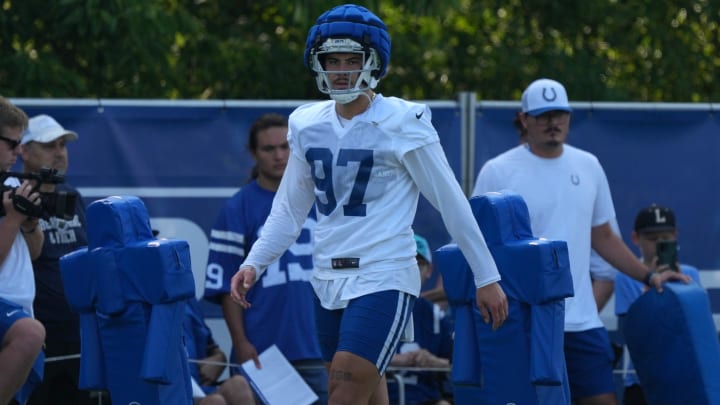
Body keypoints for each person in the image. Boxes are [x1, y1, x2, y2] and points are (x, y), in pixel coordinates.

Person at [229, 5, 508, 405]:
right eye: (332, 60)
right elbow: (290, 209)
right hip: (326, 275)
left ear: (374, 62)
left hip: (383, 274)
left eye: (352, 59)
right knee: (363, 391)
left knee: (343, 391)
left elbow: (450, 202)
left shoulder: (402, 120)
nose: (341, 70)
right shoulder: (307, 123)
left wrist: (486, 275)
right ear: (317, 62)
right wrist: (254, 262)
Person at [472, 78, 688, 405]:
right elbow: (476, 242)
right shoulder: (497, 170)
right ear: (525, 119)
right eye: (543, 115)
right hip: (523, 321)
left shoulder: (588, 166)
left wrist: (650, 276)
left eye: (559, 114)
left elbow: (603, 237)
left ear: (569, 118)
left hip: (582, 322)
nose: (552, 123)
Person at [203, 113, 328, 404]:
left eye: (285, 147)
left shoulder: (321, 201)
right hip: (262, 351)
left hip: (320, 346)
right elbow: (226, 288)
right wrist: (241, 342)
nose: (279, 155)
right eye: (268, 149)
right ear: (252, 153)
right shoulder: (237, 208)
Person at [19, 114, 94, 405]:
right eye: (49, 144)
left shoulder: (72, 196)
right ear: (23, 150)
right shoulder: (12, 197)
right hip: (35, 334)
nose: (60, 152)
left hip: (78, 332)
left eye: (63, 144)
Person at [614, 204, 700, 405]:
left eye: (666, 238)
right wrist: (650, 281)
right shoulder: (625, 278)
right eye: (652, 239)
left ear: (676, 235)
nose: (659, 244)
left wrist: (680, 286)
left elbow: (692, 329)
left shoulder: (690, 276)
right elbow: (634, 332)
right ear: (636, 239)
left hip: (683, 378)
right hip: (640, 381)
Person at [0, 97, 46, 404]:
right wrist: (14, 218)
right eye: (13, 144)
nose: (20, 152)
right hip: (10, 312)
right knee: (30, 333)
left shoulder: (14, 181)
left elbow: (33, 253)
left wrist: (29, 224)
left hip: (18, 307)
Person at [388, 234, 452, 405]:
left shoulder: (436, 317)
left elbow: (457, 365)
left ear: (429, 270)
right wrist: (392, 360)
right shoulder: (373, 307)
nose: (411, 269)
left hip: (425, 398)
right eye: (405, 261)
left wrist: (433, 361)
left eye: (418, 263)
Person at [184, 297, 256, 405]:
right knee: (215, 402)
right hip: (166, 392)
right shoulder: (151, 302)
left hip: (199, 388)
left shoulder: (185, 299)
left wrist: (219, 358)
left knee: (238, 385)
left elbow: (211, 347)